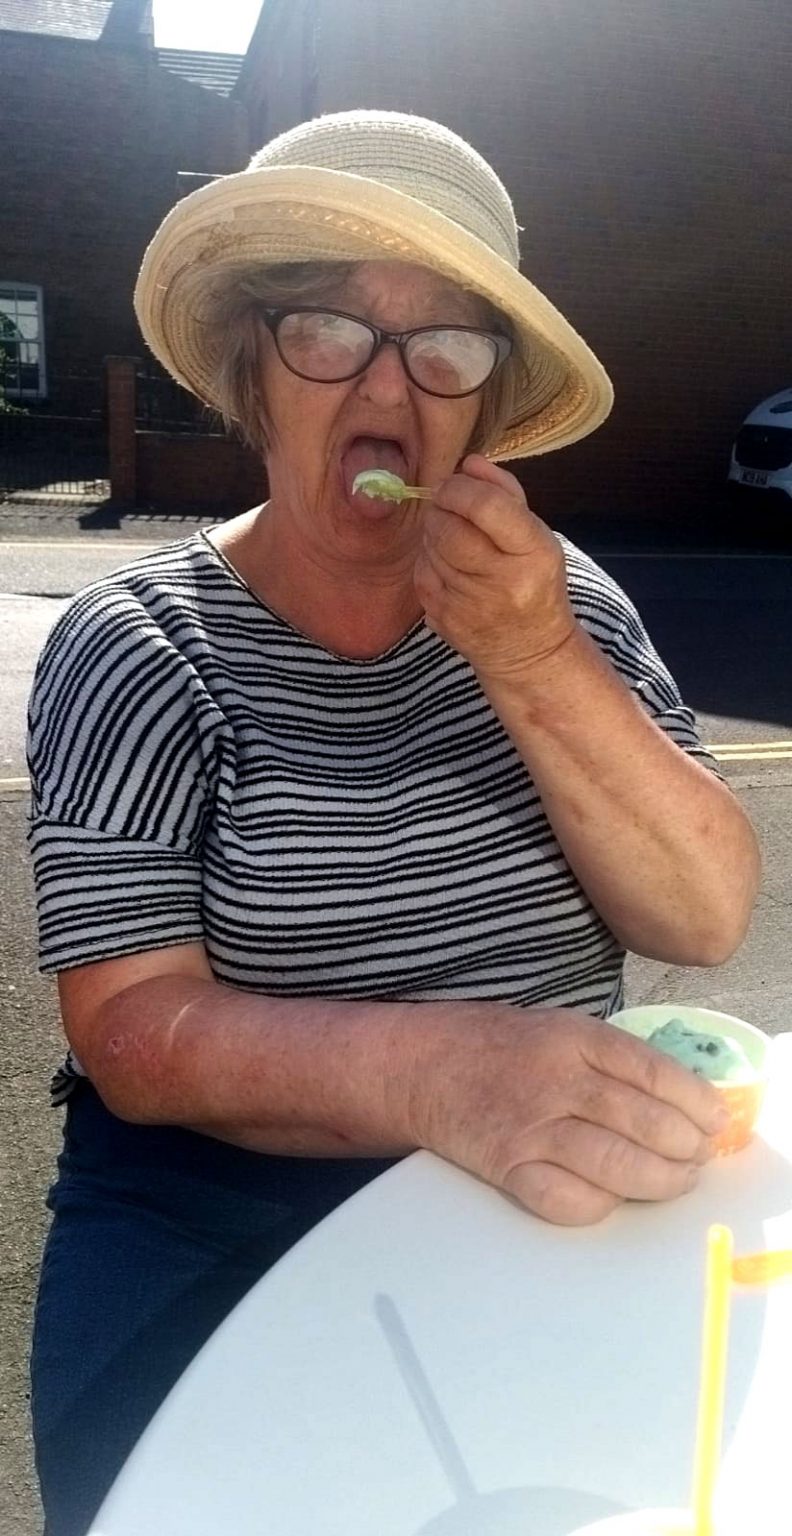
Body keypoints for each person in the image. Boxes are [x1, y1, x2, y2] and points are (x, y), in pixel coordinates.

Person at [26, 109, 760, 1535]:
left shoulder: (562, 601)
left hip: (548, 1200)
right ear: (253, 367)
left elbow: (703, 911)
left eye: (445, 348)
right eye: (328, 331)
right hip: (215, 1220)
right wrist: (440, 1074)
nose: (388, 385)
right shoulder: (141, 640)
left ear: (484, 407)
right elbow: (130, 1032)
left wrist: (535, 660)